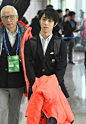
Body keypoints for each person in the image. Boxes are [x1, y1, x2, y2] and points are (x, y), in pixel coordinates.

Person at [24, 8, 74, 124]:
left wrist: (52, 84)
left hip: (54, 87)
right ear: (39, 20)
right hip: (36, 87)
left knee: (54, 117)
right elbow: (28, 65)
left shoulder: (60, 44)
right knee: (38, 117)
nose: (46, 23)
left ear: (55, 23)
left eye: (50, 21)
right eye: (44, 19)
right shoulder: (30, 43)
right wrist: (33, 83)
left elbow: (62, 66)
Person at [0, 5, 27, 124]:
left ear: (17, 17)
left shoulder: (26, 34)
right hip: (0, 80)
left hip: (17, 81)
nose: (8, 20)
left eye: (11, 17)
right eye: (5, 17)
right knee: (1, 109)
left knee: (14, 111)